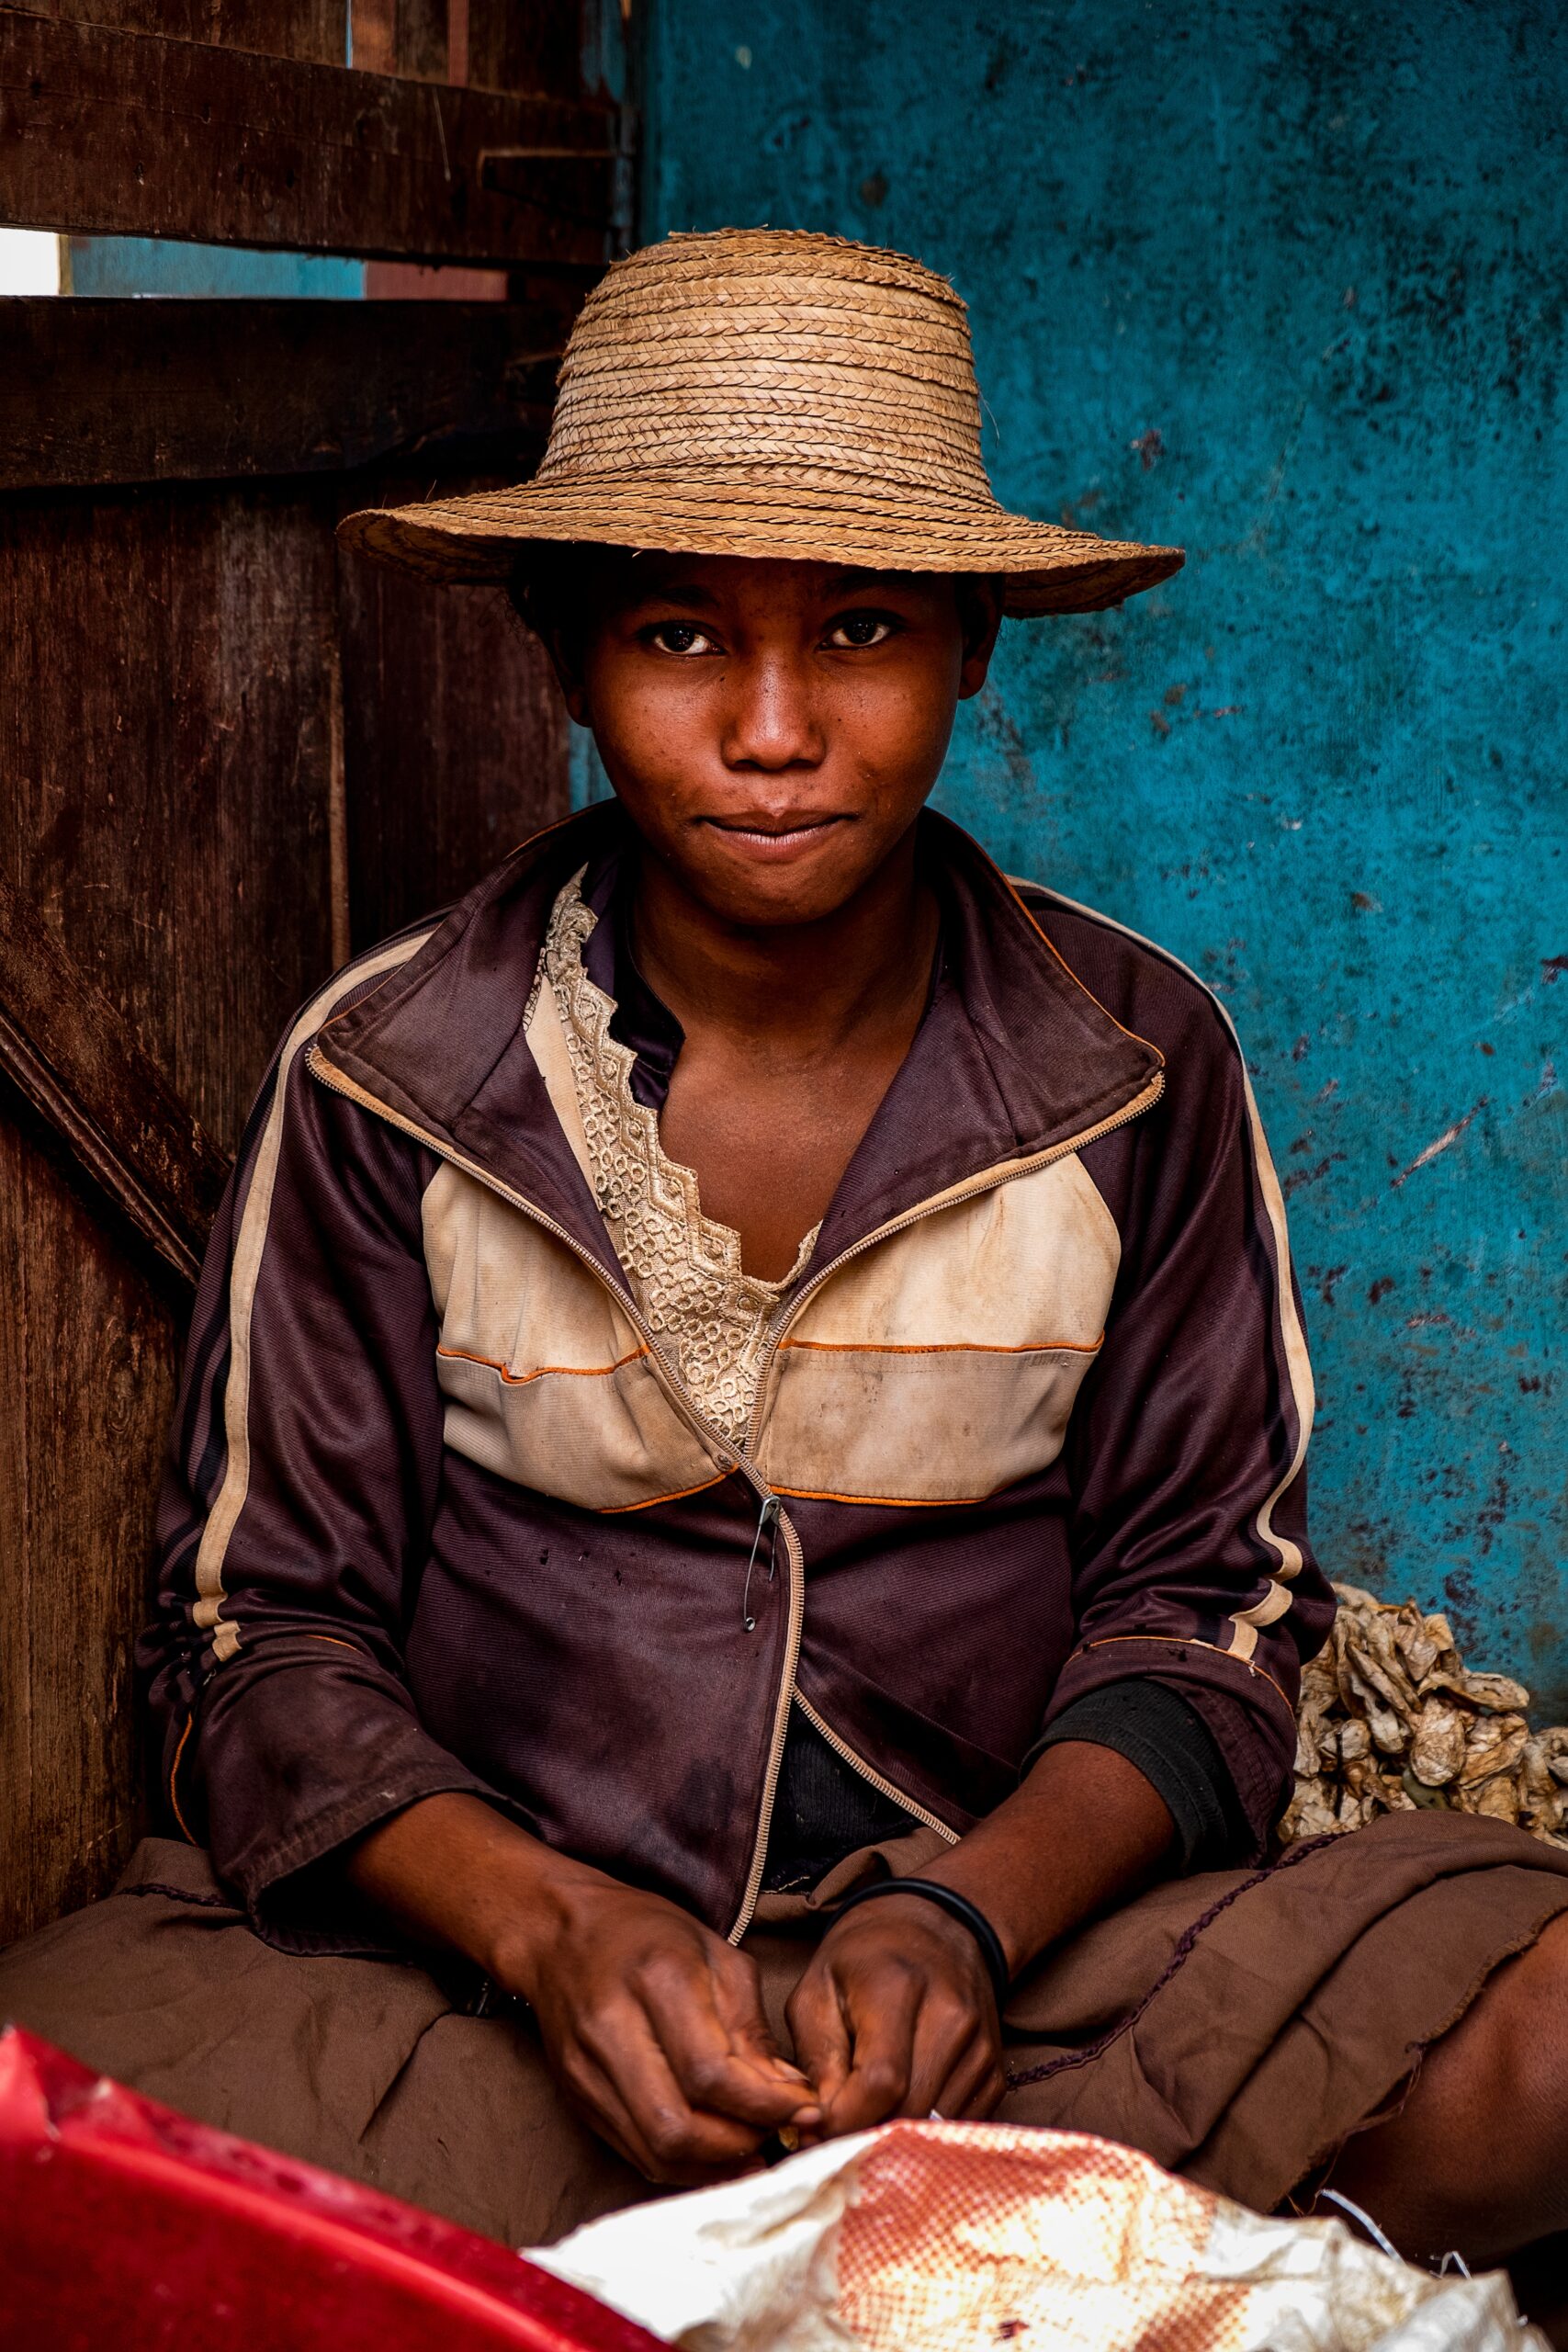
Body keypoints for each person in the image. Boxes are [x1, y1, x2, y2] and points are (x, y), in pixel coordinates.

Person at [5, 231, 1568, 2318]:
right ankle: (898, 2268)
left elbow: (1206, 1612)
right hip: (503, 1992)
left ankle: (795, 2246)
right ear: (561, 653)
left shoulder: (1130, 1065)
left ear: (972, 650)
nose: (767, 727)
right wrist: (552, 1929)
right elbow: (253, 1637)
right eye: (674, 633)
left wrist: (960, 1925)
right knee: (67, 2091)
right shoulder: (391, 1071)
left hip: (1024, 1987)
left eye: (853, 629)